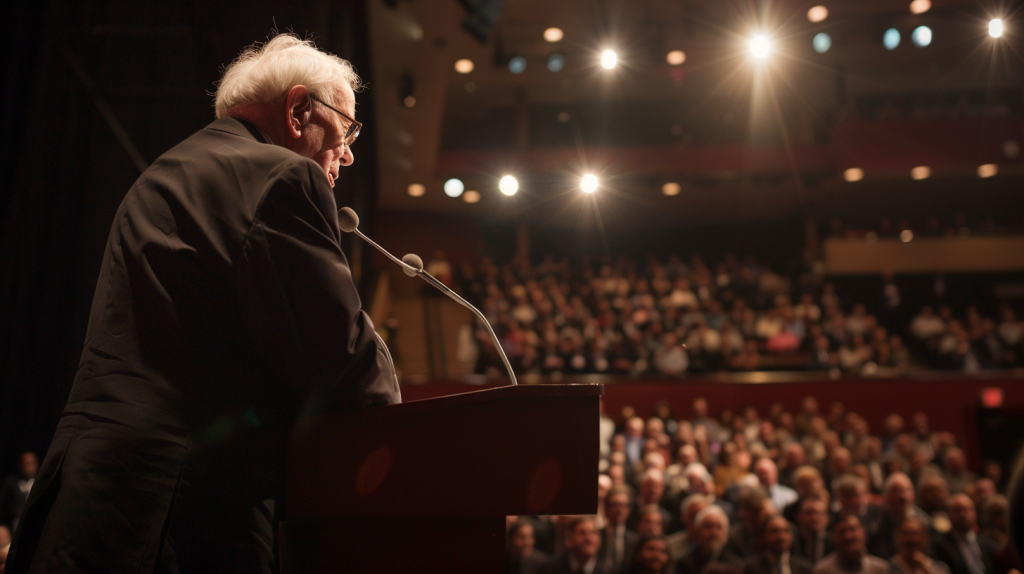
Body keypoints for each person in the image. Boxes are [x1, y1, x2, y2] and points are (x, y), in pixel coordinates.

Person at [7, 35, 400, 574]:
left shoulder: (163, 172)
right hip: (181, 520)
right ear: (298, 109)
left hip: (86, 505)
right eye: (347, 126)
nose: (350, 151)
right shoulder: (285, 176)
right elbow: (348, 366)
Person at [931, 495, 997, 574]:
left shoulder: (988, 543)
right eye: (958, 510)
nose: (963, 514)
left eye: (968, 510)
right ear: (949, 514)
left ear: (975, 513)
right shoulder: (939, 545)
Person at [676, 506, 744, 574]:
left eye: (718, 527)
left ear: (726, 534)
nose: (713, 532)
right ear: (697, 531)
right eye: (708, 526)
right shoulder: (685, 563)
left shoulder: (736, 565)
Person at [814, 515, 890, 574]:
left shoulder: (880, 569)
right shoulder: (823, 571)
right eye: (842, 532)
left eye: (853, 529)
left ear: (864, 534)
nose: (848, 536)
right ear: (834, 538)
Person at [540, 516, 610, 574]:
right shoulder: (550, 568)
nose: (589, 538)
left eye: (593, 532)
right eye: (582, 533)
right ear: (569, 539)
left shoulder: (607, 571)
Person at [744, 515, 813, 574]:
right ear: (763, 535)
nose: (781, 537)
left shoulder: (804, 567)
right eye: (774, 531)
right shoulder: (752, 568)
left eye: (786, 531)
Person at [603, 487, 641, 574]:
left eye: (623, 505)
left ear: (629, 510)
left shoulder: (635, 540)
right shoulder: (596, 536)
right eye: (614, 505)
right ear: (605, 508)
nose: (619, 510)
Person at [0, 453, 37, 532]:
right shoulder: (10, 484)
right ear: (20, 466)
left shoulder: (41, 483)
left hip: (35, 524)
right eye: (25, 464)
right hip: (14, 526)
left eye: (31, 463)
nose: (28, 467)